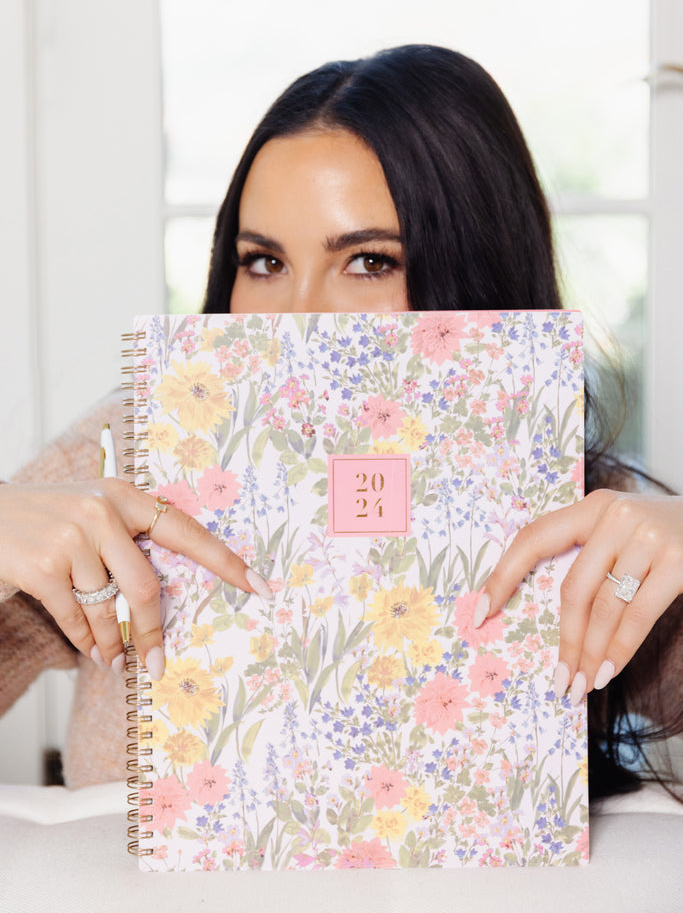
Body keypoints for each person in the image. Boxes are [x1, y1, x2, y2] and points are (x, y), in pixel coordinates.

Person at [1, 44, 681, 796]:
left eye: (368, 262)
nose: (297, 318)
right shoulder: (136, 454)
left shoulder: (584, 515)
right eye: (262, 262)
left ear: (472, 268)